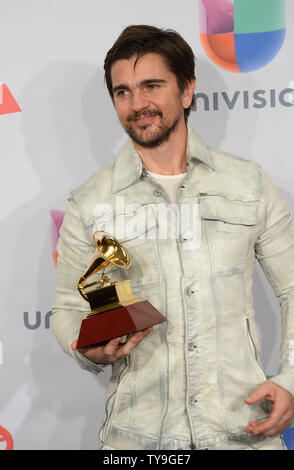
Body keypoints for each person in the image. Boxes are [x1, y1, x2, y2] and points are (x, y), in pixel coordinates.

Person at [52, 25, 294, 450]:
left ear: (186, 91)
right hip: (138, 443)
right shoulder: (90, 202)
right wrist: (86, 348)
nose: (137, 103)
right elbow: (68, 309)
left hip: (241, 433)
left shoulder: (248, 184)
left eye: (151, 85)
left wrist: (290, 378)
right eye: (122, 91)